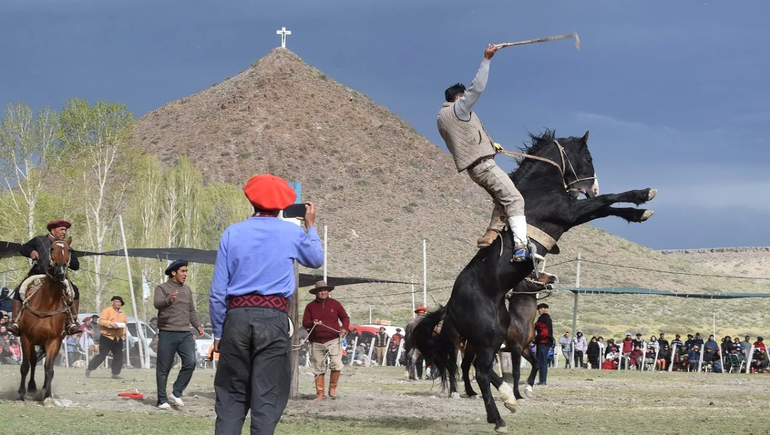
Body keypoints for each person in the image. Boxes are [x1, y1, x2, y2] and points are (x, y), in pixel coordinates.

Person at [208, 174, 323, 435]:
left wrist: (218, 332)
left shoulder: (232, 232)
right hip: (273, 319)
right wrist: (310, 226)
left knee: (231, 395)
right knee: (267, 394)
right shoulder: (292, 232)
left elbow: (217, 291)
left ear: (251, 200)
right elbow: (315, 259)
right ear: (283, 204)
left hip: (236, 319)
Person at [436, 43, 532, 262]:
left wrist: (491, 144)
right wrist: (487, 59)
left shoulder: (441, 118)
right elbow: (477, 88)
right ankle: (520, 248)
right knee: (515, 199)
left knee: (503, 199)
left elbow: (466, 139)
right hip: (484, 165)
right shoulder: (459, 108)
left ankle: (491, 234)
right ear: (459, 98)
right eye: (464, 98)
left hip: (474, 168)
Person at [9, 220, 81, 336]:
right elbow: (23, 249)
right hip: (38, 275)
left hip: (59, 279)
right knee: (19, 289)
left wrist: (67, 260)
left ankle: (72, 322)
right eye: (61, 229)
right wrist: (31, 251)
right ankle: (15, 322)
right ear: (52, 230)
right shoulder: (39, 240)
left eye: (65, 230)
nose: (64, 232)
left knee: (75, 291)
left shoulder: (66, 246)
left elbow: (76, 265)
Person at [154, 259, 205, 410]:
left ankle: (176, 392)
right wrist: (169, 299)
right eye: (183, 271)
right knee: (164, 368)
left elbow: (191, 311)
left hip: (184, 333)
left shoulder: (187, 290)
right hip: (167, 332)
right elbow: (157, 304)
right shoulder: (161, 288)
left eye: (186, 271)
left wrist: (198, 325)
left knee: (190, 362)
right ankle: (162, 400)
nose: (185, 274)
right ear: (173, 272)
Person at [302, 280, 350, 401]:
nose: (322, 292)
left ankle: (332, 389)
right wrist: (313, 322)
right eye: (320, 290)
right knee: (318, 367)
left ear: (328, 291)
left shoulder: (335, 304)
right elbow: (305, 323)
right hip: (316, 341)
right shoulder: (310, 307)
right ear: (316, 293)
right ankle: (320, 394)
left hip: (333, 339)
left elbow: (345, 317)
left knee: (336, 364)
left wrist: (344, 328)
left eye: (324, 290)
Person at [85, 296, 127, 379]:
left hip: (118, 337)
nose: (118, 304)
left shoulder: (122, 313)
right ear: (113, 302)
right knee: (102, 355)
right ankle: (90, 368)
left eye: (120, 302)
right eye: (117, 301)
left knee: (118, 356)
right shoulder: (107, 311)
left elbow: (125, 324)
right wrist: (111, 324)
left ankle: (115, 373)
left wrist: (123, 334)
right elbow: (101, 321)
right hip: (107, 337)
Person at [534, 303, 553, 385]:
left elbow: (544, 332)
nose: (539, 310)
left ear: (546, 309)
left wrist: (536, 339)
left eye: (541, 308)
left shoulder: (544, 318)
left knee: (542, 361)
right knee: (542, 361)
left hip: (543, 342)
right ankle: (542, 380)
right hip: (544, 342)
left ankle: (542, 380)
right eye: (539, 309)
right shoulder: (545, 318)